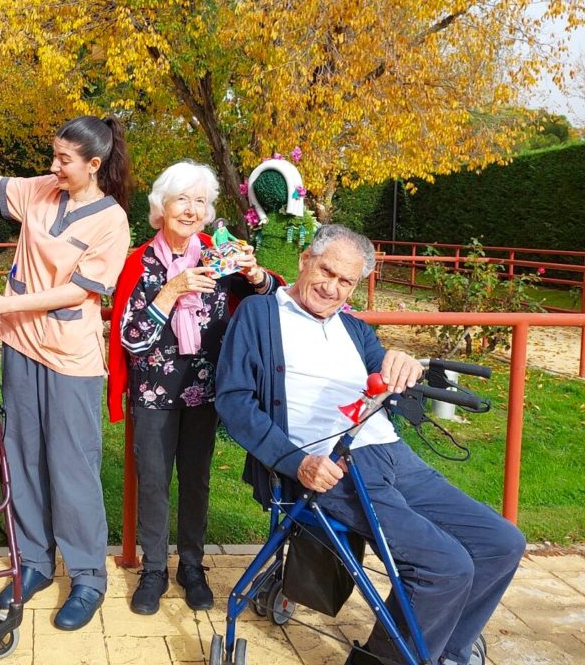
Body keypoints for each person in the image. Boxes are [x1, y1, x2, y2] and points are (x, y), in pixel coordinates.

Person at [214, 224, 525, 665]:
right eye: (327, 271)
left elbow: (384, 364)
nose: (332, 287)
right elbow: (234, 401)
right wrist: (296, 462)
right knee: (446, 566)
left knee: (502, 543)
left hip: (393, 453)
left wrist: (400, 362)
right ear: (305, 260)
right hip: (331, 466)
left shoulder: (355, 329)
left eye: (346, 282)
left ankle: (447, 652)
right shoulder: (260, 315)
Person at [0, 113, 132, 631]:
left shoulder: (111, 220)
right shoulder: (41, 189)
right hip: (20, 348)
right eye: (53, 154)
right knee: (24, 457)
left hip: (69, 358)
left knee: (71, 466)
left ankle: (85, 576)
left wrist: (2, 303)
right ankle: (32, 561)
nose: (53, 165)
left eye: (64, 159)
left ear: (93, 164)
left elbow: (79, 291)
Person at [107, 162, 281, 616]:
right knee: (154, 482)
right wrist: (172, 290)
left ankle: (192, 565)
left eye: (200, 201)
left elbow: (272, 304)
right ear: (161, 207)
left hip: (205, 390)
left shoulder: (220, 254)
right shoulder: (140, 262)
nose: (191, 209)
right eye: (182, 199)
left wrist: (256, 275)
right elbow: (132, 338)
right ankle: (153, 571)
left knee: (197, 481)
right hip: (154, 392)